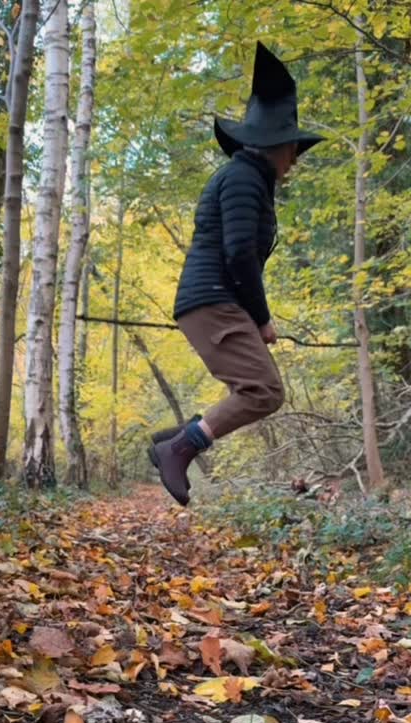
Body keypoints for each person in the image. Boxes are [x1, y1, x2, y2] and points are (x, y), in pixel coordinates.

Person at [149, 43, 324, 506]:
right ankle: (180, 446)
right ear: (277, 145)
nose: (296, 159)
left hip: (212, 300)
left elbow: (239, 252)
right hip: (212, 301)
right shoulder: (245, 178)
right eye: (295, 149)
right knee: (264, 390)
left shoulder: (246, 178)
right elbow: (241, 254)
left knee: (255, 387)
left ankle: (178, 436)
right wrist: (261, 317)